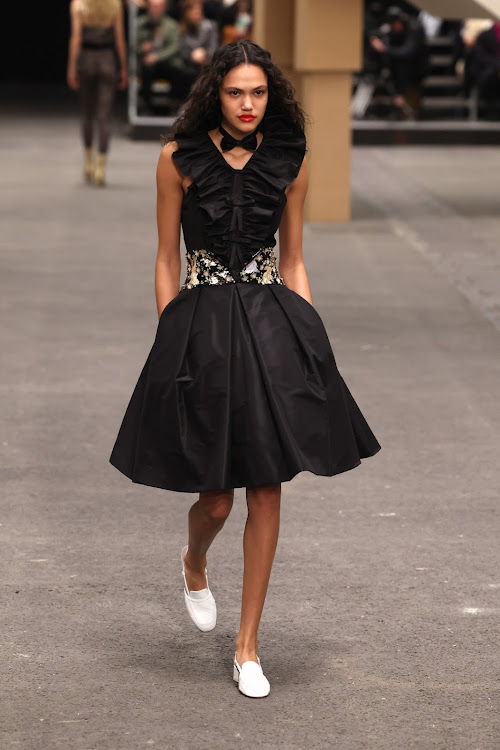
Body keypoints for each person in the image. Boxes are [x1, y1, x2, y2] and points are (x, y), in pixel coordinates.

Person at [110, 40, 381, 698]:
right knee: (217, 496)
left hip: (269, 326)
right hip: (200, 326)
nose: (249, 104)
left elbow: (293, 260)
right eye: (236, 92)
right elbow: (165, 256)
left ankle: (248, 645)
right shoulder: (178, 158)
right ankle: (195, 561)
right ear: (216, 93)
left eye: (259, 92)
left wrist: (310, 339)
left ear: (272, 95)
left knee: (266, 486)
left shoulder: (291, 159)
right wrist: (170, 331)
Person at [67, 0, 128, 186]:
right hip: (107, 59)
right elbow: (119, 38)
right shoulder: (115, 4)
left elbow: (76, 37)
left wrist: (71, 66)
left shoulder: (78, 4)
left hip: (86, 58)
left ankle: (88, 163)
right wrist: (123, 67)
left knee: (87, 112)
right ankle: (101, 167)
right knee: (104, 115)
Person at [136, 0, 197, 111]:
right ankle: (145, 104)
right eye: (153, 6)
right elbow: (132, 45)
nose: (156, 9)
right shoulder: (140, 24)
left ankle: (174, 103)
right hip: (146, 65)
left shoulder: (171, 25)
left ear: (164, 7)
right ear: (148, 7)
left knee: (180, 71)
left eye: (159, 6)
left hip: (167, 62)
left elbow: (174, 46)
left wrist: (156, 57)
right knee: (147, 69)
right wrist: (142, 48)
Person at [370, 6, 427, 117]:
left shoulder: (414, 28)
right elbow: (376, 32)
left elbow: (407, 51)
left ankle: (411, 117)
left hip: (415, 70)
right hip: (398, 71)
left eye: (395, 23)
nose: (394, 27)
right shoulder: (389, 28)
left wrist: (385, 49)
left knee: (412, 98)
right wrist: (374, 39)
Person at [178, 0, 219, 75]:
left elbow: (214, 46)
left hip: (207, 61)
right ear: (186, 13)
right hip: (187, 63)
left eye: (199, 11)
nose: (197, 14)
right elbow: (180, 49)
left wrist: (204, 53)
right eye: (194, 12)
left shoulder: (211, 26)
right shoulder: (181, 29)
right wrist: (192, 55)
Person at [473, 21, 500, 117]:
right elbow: (481, 56)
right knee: (490, 78)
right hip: (491, 71)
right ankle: (492, 112)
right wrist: (498, 67)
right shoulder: (484, 35)